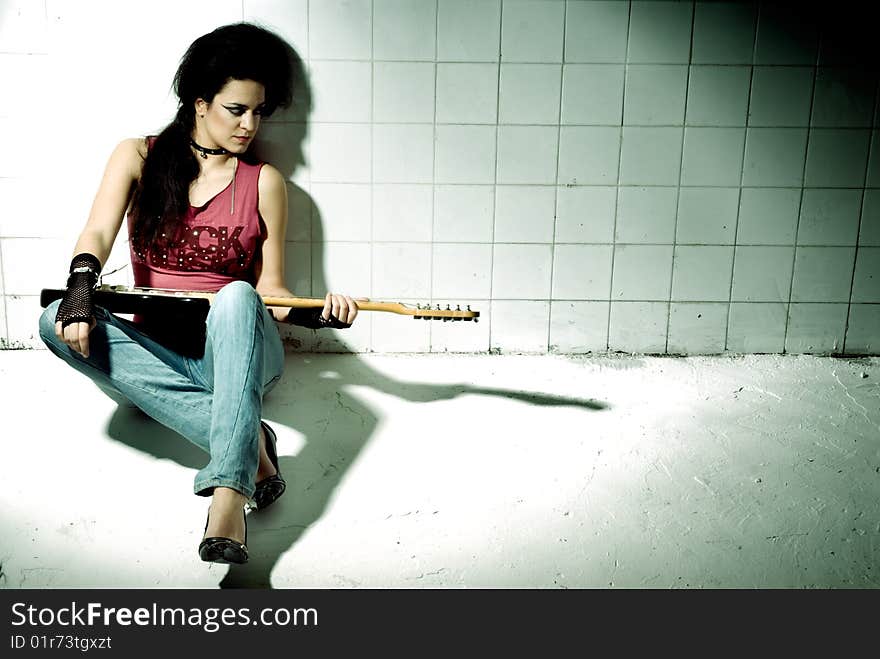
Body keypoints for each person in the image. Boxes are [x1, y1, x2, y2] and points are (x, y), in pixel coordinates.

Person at [38, 23, 360, 565]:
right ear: (200, 101)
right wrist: (79, 287)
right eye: (237, 109)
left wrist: (318, 317)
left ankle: (229, 494)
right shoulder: (137, 155)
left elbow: (270, 293)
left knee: (236, 295)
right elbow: (96, 232)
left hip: (238, 351)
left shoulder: (264, 182)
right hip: (161, 349)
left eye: (260, 112)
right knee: (52, 320)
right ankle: (251, 444)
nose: (249, 125)